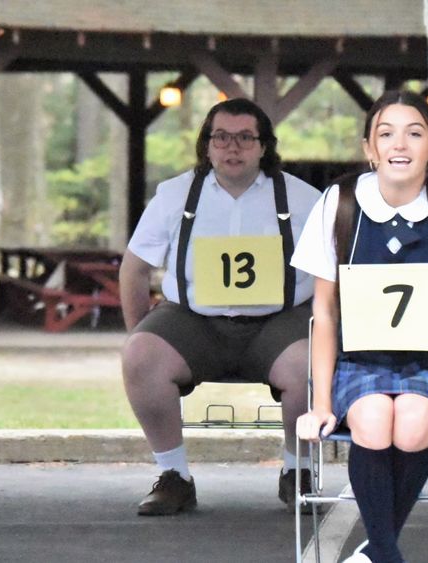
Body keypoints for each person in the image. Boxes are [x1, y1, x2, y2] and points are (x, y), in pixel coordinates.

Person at [292, 90, 428, 563]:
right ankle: (385, 554)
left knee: (408, 427)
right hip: (358, 362)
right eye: (386, 134)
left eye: (414, 133)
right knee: (370, 421)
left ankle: (375, 553)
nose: (399, 144)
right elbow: (323, 313)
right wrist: (321, 403)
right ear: (369, 148)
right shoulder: (340, 202)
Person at [120, 98, 321, 516]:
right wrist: (141, 333)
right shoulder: (174, 195)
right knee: (140, 355)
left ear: (264, 145)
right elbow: (134, 268)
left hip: (279, 322)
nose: (233, 147)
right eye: (222, 137)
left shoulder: (304, 199)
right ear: (206, 145)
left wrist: (321, 324)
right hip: (194, 322)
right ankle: (174, 477)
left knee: (312, 360)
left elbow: (331, 273)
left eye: (245, 137)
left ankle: (297, 472)